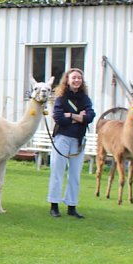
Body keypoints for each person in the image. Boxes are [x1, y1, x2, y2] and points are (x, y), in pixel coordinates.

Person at [47, 68, 95, 219]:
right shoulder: (61, 98)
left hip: (78, 140)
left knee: (75, 174)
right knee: (57, 172)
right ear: (67, 80)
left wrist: (70, 115)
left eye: (79, 78)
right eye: (74, 78)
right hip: (62, 138)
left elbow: (90, 116)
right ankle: (54, 205)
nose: (76, 80)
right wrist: (78, 117)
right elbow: (59, 118)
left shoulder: (84, 99)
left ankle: (72, 205)